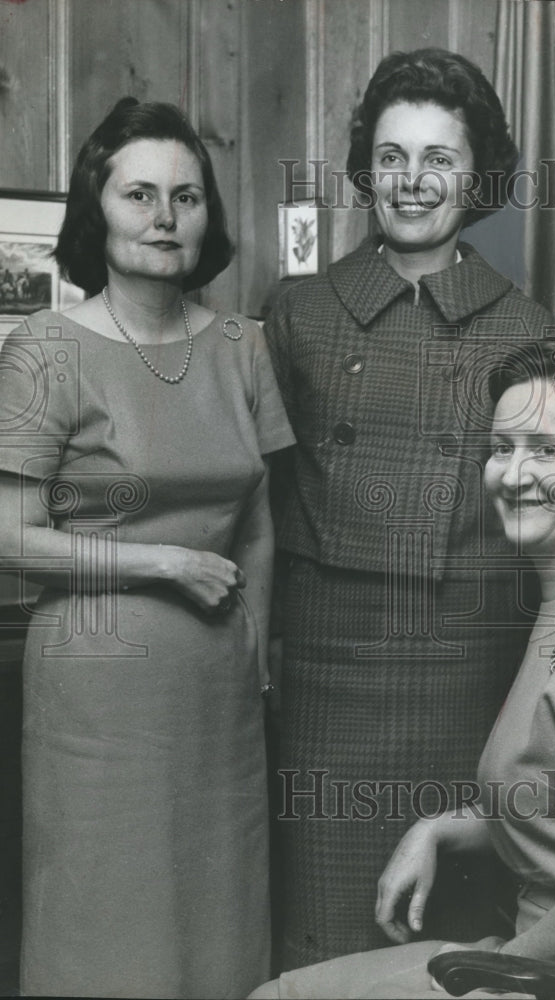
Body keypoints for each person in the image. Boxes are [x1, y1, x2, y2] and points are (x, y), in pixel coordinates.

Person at [264, 47, 555, 971]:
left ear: (477, 178)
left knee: (459, 948)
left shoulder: (523, 325)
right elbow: (250, 486)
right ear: (366, 169)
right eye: (392, 158)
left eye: (439, 158)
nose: (413, 181)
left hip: (468, 668)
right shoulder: (299, 310)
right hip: (328, 675)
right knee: (324, 942)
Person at [250, 340, 555, 999]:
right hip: (554, 955)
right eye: (502, 448)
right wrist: (440, 825)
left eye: (547, 450)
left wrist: (488, 978)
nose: (513, 473)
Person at [0, 98, 294, 998]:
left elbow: (258, 520)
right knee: (104, 924)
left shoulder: (242, 344)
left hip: (218, 695)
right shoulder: (47, 348)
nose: (166, 218)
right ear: (98, 211)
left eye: (188, 196)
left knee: (218, 925)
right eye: (139, 195)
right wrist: (160, 565)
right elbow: (9, 537)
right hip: (96, 695)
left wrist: (258, 652)